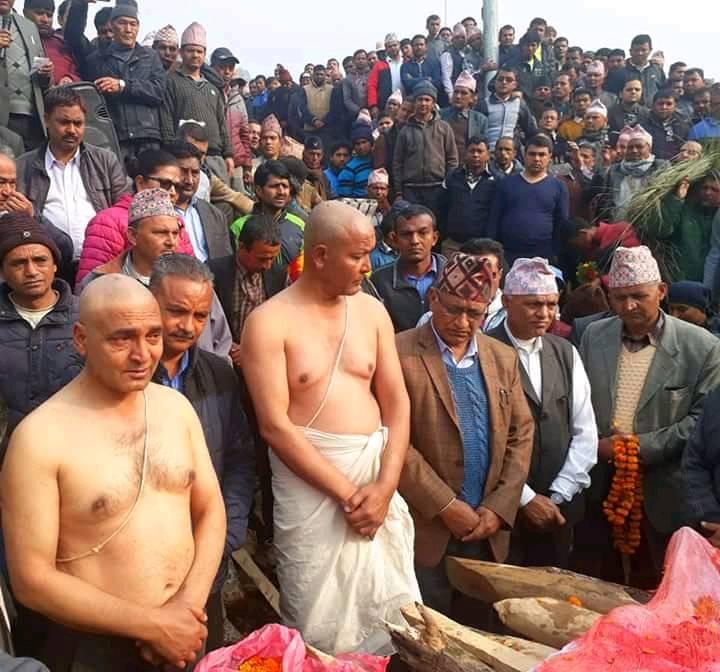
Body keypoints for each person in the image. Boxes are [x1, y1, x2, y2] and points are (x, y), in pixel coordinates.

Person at [1, 273, 226, 671]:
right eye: (122, 339)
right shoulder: (39, 438)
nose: (142, 355)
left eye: (152, 336)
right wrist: (153, 626)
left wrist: (187, 608)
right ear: (81, 339)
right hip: (95, 647)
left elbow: (210, 509)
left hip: (189, 626)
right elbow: (32, 580)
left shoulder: (175, 409)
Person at [239, 200, 420, 654]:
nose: (368, 267)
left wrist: (384, 487)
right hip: (313, 492)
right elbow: (275, 426)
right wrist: (348, 495)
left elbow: (397, 402)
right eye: (357, 256)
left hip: (375, 481)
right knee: (318, 628)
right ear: (320, 256)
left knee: (394, 624)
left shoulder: (372, 313)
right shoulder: (267, 323)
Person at [397, 252, 533, 614]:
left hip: (489, 531)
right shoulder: (399, 353)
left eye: (474, 314)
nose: (462, 322)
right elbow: (394, 441)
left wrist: (499, 507)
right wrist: (445, 506)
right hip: (426, 530)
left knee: (485, 626)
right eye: (453, 309)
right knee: (427, 626)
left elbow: (521, 433)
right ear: (433, 298)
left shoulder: (502, 357)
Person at [579, 246, 720, 574]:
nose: (629, 306)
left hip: (665, 491)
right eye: (620, 297)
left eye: (639, 296)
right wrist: (595, 445)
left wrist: (633, 447)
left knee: (661, 581)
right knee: (598, 578)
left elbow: (701, 421)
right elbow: (579, 402)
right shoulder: (593, 336)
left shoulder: (702, 347)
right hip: (600, 483)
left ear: (661, 291)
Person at [149, 254, 255, 651]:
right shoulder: (124, 377)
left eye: (200, 316)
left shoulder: (219, 372)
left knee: (203, 649)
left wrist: (227, 529)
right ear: (149, 302)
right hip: (144, 562)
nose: (188, 326)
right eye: (176, 312)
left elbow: (239, 456)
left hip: (209, 554)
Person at [487, 258, 597, 568]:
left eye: (551, 304)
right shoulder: (484, 351)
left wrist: (557, 494)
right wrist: (525, 499)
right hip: (501, 510)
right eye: (533, 304)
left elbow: (585, 431)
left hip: (559, 510)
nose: (545, 314)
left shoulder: (564, 351)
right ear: (507, 302)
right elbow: (481, 441)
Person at [81, 188, 231, 359]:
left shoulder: (194, 280)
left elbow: (221, 340)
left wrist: (210, 371)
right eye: (160, 233)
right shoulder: (101, 283)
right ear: (132, 235)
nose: (171, 242)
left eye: (175, 233)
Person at [15, 86, 129, 270]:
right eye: (64, 122)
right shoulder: (23, 166)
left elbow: (123, 210)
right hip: (47, 265)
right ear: (46, 120)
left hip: (102, 263)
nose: (72, 130)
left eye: (78, 123)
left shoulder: (105, 161)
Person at [0, 212, 81, 453]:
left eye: (40, 260)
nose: (32, 271)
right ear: (2, 270)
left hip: (77, 449)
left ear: (55, 265)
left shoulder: (87, 315)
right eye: (18, 263)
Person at [64, 3, 167, 166]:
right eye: (122, 23)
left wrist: (123, 86)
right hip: (114, 137)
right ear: (112, 25)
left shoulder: (150, 56)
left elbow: (159, 92)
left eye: (133, 24)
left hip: (148, 137)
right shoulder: (97, 59)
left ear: (138, 27)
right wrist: (80, 4)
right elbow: (73, 35)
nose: (128, 29)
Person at [76, 148, 195, 285]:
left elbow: (193, 278)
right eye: (165, 184)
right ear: (140, 182)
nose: (173, 192)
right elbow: (91, 286)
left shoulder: (177, 222)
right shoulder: (108, 221)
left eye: (177, 186)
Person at [161, 23, 233, 183]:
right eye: (190, 50)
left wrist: (228, 154)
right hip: (184, 158)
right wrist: (170, 152)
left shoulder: (212, 88)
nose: (195, 55)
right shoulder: (171, 82)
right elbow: (166, 119)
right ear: (181, 52)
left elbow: (222, 124)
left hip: (215, 157)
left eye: (199, 51)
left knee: (222, 198)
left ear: (204, 54)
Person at [488, 134, 570, 266]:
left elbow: (561, 224)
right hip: (508, 254)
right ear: (524, 155)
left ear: (550, 157)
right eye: (532, 154)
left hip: (543, 256)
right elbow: (494, 219)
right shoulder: (506, 183)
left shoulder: (558, 187)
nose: (536, 159)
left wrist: (555, 254)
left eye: (542, 154)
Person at [209, 214, 288, 351]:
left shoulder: (279, 275)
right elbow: (206, 323)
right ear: (241, 247)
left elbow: (284, 320)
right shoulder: (214, 273)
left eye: (272, 259)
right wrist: (230, 348)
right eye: (262, 259)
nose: (268, 265)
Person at [371, 204, 445, 332]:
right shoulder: (380, 281)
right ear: (394, 239)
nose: (415, 241)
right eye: (406, 234)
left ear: (434, 238)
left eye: (423, 233)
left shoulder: (454, 276)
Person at [393, 82, 458, 217]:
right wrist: (399, 191)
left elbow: (452, 159)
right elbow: (397, 163)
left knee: (436, 223)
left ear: (433, 103)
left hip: (437, 187)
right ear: (414, 103)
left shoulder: (444, 128)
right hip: (411, 189)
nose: (423, 103)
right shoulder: (405, 131)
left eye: (427, 100)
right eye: (420, 99)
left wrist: (448, 184)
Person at [230, 161, 304, 275]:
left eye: (285, 186)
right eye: (274, 186)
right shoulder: (239, 226)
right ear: (259, 190)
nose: (281, 192)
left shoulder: (299, 224)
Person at [165, 142, 232, 263]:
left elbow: (226, 260)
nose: (189, 180)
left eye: (195, 173)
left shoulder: (215, 215)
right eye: (183, 171)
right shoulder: (156, 214)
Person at [646, 174, 720, 283]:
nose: (708, 192)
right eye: (705, 188)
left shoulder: (717, 217)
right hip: (682, 280)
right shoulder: (685, 210)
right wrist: (676, 199)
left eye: (714, 189)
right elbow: (661, 231)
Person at [593, 125, 667, 221]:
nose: (634, 151)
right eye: (630, 147)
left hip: (648, 224)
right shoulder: (614, 170)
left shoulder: (660, 167)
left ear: (649, 148)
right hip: (618, 224)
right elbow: (606, 200)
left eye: (639, 147)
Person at [442, 136, 496, 255]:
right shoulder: (452, 177)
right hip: (453, 244)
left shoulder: (497, 181)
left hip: (483, 247)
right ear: (465, 153)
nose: (475, 155)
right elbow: (442, 207)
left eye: (480, 151)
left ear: (488, 155)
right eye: (472, 151)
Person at [211, 48, 253, 187]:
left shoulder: (237, 99)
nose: (227, 71)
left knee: (239, 198)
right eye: (222, 67)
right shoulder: (206, 92)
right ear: (212, 67)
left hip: (237, 162)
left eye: (231, 67)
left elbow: (244, 134)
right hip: (214, 161)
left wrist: (247, 165)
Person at [477, 68, 537, 150]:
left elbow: (530, 131)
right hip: (488, 151)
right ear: (495, 82)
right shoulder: (483, 104)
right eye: (500, 79)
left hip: (511, 153)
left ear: (515, 85)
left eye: (509, 80)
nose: (504, 82)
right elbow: (475, 133)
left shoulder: (520, 105)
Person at [23, 0, 80, 84]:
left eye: (49, 15)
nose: (45, 20)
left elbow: (79, 73)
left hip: (67, 91)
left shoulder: (61, 42)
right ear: (25, 13)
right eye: (39, 13)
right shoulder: (15, 40)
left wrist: (70, 78)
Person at [439, 71, 488, 160]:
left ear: (472, 98)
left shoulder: (480, 120)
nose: (458, 96)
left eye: (463, 93)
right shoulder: (440, 115)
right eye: (456, 92)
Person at [644, 90, 690, 160]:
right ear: (653, 105)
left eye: (669, 104)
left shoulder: (683, 125)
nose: (664, 107)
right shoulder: (643, 124)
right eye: (660, 104)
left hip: (678, 164)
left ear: (675, 106)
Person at [623, 34, 666, 106]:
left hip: (652, 111)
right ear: (630, 51)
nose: (640, 53)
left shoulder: (657, 70)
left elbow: (663, 91)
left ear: (650, 50)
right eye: (636, 50)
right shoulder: (622, 71)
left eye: (643, 50)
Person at [368, 33, 404, 118]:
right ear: (386, 48)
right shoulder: (379, 65)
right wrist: (373, 105)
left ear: (399, 45)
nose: (393, 48)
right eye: (390, 46)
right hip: (385, 106)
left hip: (404, 104)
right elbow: (371, 86)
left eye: (395, 45)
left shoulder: (406, 62)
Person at [401, 35, 443, 102]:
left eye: (421, 44)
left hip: (431, 101)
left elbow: (437, 83)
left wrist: (414, 80)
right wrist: (427, 78)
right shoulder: (405, 66)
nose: (419, 47)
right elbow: (407, 84)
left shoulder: (435, 63)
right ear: (412, 47)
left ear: (426, 47)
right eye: (416, 45)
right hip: (412, 101)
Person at [336, 124, 374, 198]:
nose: (361, 147)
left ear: (371, 142)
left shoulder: (377, 161)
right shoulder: (349, 170)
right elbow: (344, 199)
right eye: (357, 144)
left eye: (364, 142)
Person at [298, 64, 334, 141]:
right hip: (309, 130)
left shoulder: (332, 89)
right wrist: (314, 121)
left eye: (321, 74)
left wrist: (324, 121)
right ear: (313, 75)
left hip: (327, 129)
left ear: (325, 75)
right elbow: (302, 108)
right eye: (317, 74)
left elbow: (334, 109)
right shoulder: (305, 89)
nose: (319, 76)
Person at [341, 49, 370, 121]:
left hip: (372, 111)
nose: (361, 61)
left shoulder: (372, 74)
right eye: (358, 59)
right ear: (354, 61)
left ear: (367, 60)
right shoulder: (348, 79)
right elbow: (347, 100)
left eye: (363, 58)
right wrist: (359, 111)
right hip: (355, 116)